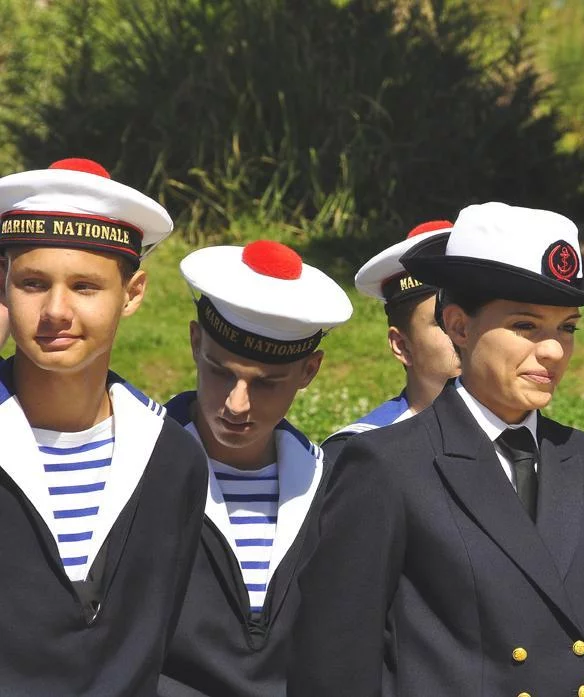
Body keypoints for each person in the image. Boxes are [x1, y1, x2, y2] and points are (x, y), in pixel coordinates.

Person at [289, 202, 584, 697]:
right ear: (460, 327)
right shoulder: (388, 464)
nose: (552, 350)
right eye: (526, 326)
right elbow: (335, 662)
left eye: (566, 327)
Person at [0, 157, 208, 695]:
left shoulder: (171, 459)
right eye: (32, 283)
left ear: (133, 293)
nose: (56, 310)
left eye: (86, 287)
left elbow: (156, 642)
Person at [158, 239, 352, 697]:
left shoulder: (332, 489)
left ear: (309, 372)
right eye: (221, 371)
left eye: (266, 383)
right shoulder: (136, 470)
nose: (236, 404)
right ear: (194, 341)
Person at [323, 220, 459, 459]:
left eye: (474, 318)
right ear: (401, 345)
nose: (464, 334)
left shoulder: (524, 437)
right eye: (442, 322)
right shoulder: (362, 451)